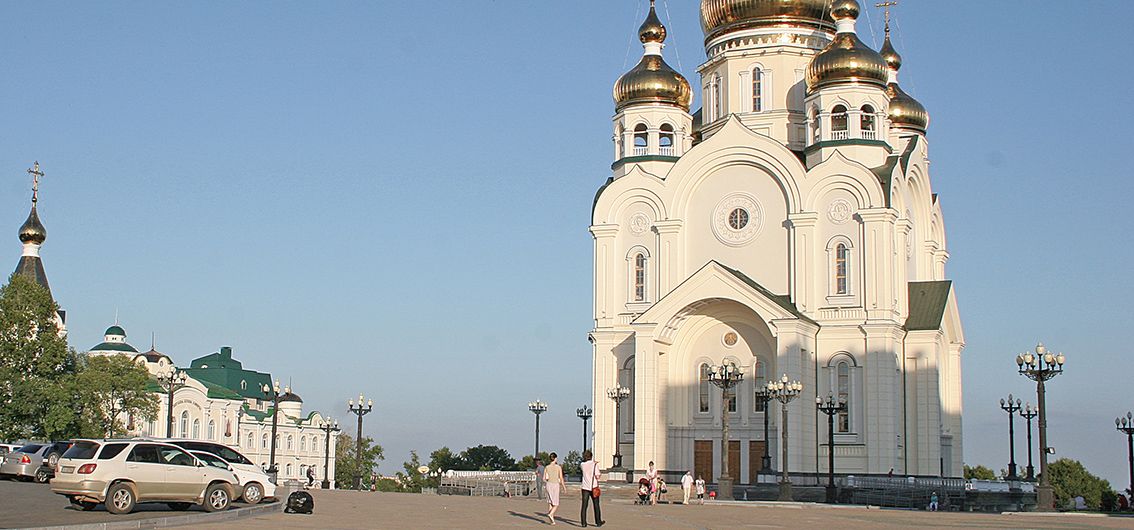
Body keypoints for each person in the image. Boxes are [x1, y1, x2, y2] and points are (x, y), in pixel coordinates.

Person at [579, 450, 604, 527]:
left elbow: (585, 465)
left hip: (585, 487)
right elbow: (597, 476)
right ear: (591, 456)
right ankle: (598, 522)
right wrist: (595, 464)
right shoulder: (594, 465)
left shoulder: (582, 464)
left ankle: (583, 522)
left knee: (584, 505)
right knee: (596, 505)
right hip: (593, 486)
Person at [544, 452, 564, 525]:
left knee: (550, 502)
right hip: (555, 484)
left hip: (548, 484)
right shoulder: (558, 467)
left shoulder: (547, 467)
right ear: (555, 458)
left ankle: (552, 520)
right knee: (556, 503)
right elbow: (561, 478)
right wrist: (564, 486)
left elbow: (544, 478)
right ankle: (551, 514)